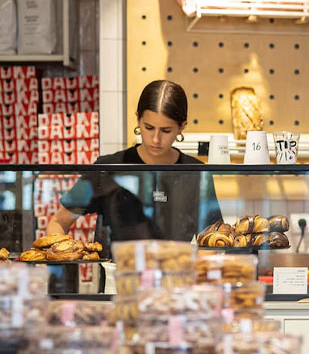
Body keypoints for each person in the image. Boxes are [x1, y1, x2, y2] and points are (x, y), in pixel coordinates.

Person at [46, 79, 223, 244]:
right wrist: (62, 263)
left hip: (175, 274)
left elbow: (214, 238)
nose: (155, 139)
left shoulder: (196, 173)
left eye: (166, 130)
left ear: (182, 127)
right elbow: (58, 223)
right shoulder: (107, 168)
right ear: (138, 119)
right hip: (117, 276)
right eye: (148, 128)